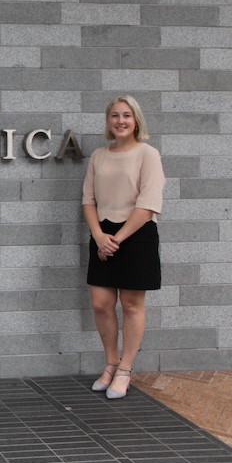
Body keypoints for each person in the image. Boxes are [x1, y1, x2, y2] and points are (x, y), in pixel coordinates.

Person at [82, 95, 165, 399]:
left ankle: (126, 369)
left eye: (127, 115)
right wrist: (100, 236)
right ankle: (110, 363)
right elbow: (88, 200)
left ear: (136, 121)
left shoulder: (148, 154)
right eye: (115, 115)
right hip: (102, 235)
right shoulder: (99, 156)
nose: (120, 121)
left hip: (137, 234)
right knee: (101, 304)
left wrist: (116, 239)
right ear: (108, 121)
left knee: (131, 305)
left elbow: (148, 203)